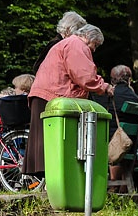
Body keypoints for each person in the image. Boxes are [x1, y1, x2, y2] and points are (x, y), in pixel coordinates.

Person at [23, 24, 113, 179]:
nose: (94, 49)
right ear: (88, 37)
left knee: (43, 140)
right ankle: (52, 181)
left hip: (45, 94)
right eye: (95, 45)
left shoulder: (68, 43)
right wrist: (103, 87)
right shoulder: (77, 45)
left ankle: (46, 181)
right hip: (53, 95)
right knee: (53, 140)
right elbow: (84, 75)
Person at [91, 64, 138, 182]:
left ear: (112, 80)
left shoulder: (105, 95)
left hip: (110, 143)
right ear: (129, 79)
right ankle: (122, 187)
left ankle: (113, 182)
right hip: (129, 144)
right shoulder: (134, 97)